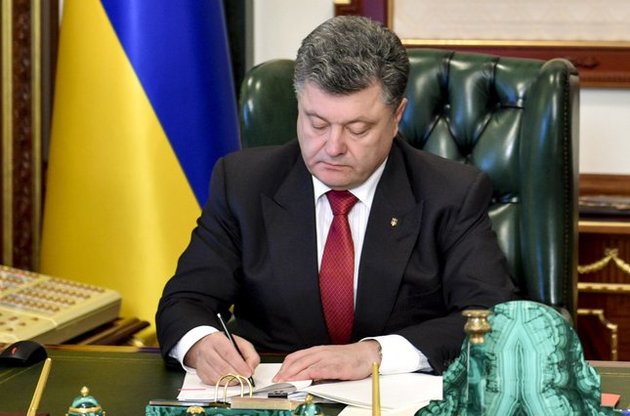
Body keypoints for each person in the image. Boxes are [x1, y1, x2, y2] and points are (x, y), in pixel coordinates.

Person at [156, 15, 517, 386]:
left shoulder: (452, 193)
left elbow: (490, 318)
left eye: (357, 129)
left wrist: (375, 354)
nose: (333, 147)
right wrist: (200, 343)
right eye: (317, 123)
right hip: (272, 393)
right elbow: (184, 302)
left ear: (397, 116)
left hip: (396, 398)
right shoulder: (242, 183)